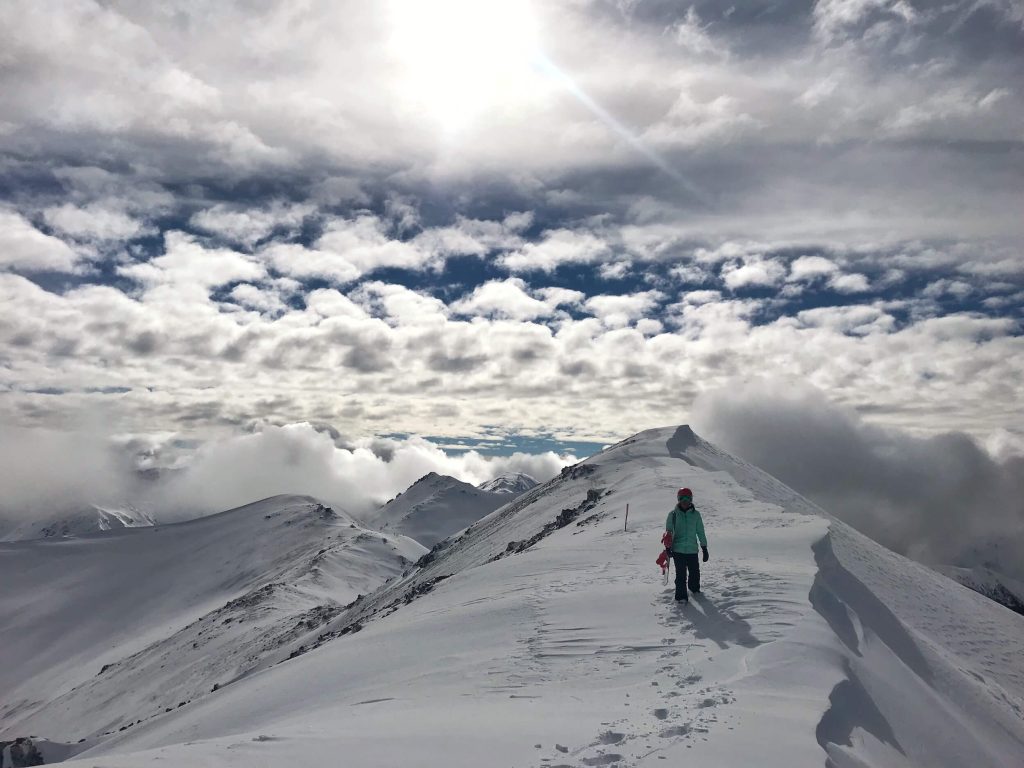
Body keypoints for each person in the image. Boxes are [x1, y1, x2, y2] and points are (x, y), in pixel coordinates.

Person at [665, 487, 709, 602]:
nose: (685, 501)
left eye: (687, 498)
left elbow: (700, 532)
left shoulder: (696, 515)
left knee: (694, 573)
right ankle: (681, 598)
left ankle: (695, 592)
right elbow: (668, 532)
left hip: (692, 550)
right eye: (682, 498)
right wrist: (667, 547)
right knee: (681, 575)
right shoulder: (673, 515)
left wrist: (704, 548)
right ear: (678, 499)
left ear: (691, 500)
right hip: (678, 550)